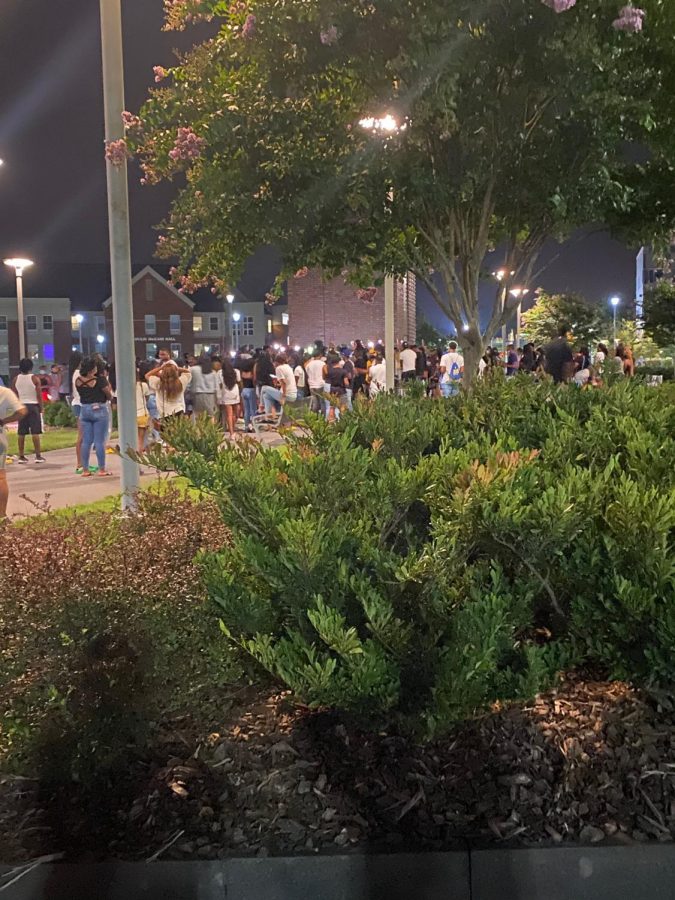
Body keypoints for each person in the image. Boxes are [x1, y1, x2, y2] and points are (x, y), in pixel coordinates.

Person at [76, 357, 114, 477]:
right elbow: (109, 395)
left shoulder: (78, 380)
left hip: (85, 409)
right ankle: (102, 469)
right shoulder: (100, 380)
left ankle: (85, 469)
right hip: (99, 409)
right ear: (92, 369)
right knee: (99, 441)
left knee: (86, 441)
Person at [11, 359, 46, 464]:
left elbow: (14, 393)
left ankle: (21, 456)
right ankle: (38, 456)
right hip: (33, 405)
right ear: (31, 367)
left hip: (21, 406)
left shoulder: (16, 379)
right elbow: (39, 394)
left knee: (21, 432)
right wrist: (41, 407)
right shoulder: (34, 378)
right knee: (35, 431)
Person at [0, 387, 26, 520]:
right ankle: (2, 515)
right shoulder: (4, 392)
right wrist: (4, 421)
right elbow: (21, 411)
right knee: (1, 477)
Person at [189, 354, 219, 419]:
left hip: (197, 395)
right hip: (210, 396)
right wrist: (218, 399)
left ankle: (196, 429)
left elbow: (189, 383)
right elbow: (216, 387)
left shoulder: (193, 369)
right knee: (211, 415)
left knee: (196, 414)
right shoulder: (213, 372)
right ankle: (211, 429)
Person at [218, 359, 241, 439]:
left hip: (225, 393)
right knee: (234, 414)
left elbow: (220, 385)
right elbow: (239, 381)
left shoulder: (220, 373)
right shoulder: (236, 371)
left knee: (229, 414)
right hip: (235, 392)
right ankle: (233, 429)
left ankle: (231, 433)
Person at [237, 353, 257, 433]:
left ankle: (246, 426)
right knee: (253, 410)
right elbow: (254, 380)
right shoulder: (251, 373)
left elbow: (241, 382)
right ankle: (253, 426)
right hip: (251, 390)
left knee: (246, 410)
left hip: (244, 390)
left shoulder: (242, 373)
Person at [306, 348, 327, 413]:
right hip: (320, 384)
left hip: (312, 385)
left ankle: (315, 418)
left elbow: (307, 372)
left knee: (315, 403)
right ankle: (323, 418)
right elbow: (326, 372)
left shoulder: (309, 364)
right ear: (320, 355)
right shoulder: (322, 363)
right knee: (322, 402)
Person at [136, 366, 151, 452]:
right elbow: (147, 398)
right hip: (142, 414)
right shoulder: (143, 385)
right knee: (141, 439)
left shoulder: (123, 387)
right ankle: (140, 456)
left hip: (129, 416)